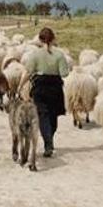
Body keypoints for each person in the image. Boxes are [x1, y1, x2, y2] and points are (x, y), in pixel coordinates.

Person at [19, 27, 68, 157]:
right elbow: (65, 73)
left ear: (40, 40)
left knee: (43, 116)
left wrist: (20, 86)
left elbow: (28, 72)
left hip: (40, 88)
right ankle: (49, 140)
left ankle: (48, 143)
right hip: (55, 88)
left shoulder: (35, 54)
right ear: (53, 39)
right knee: (53, 116)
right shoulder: (60, 54)